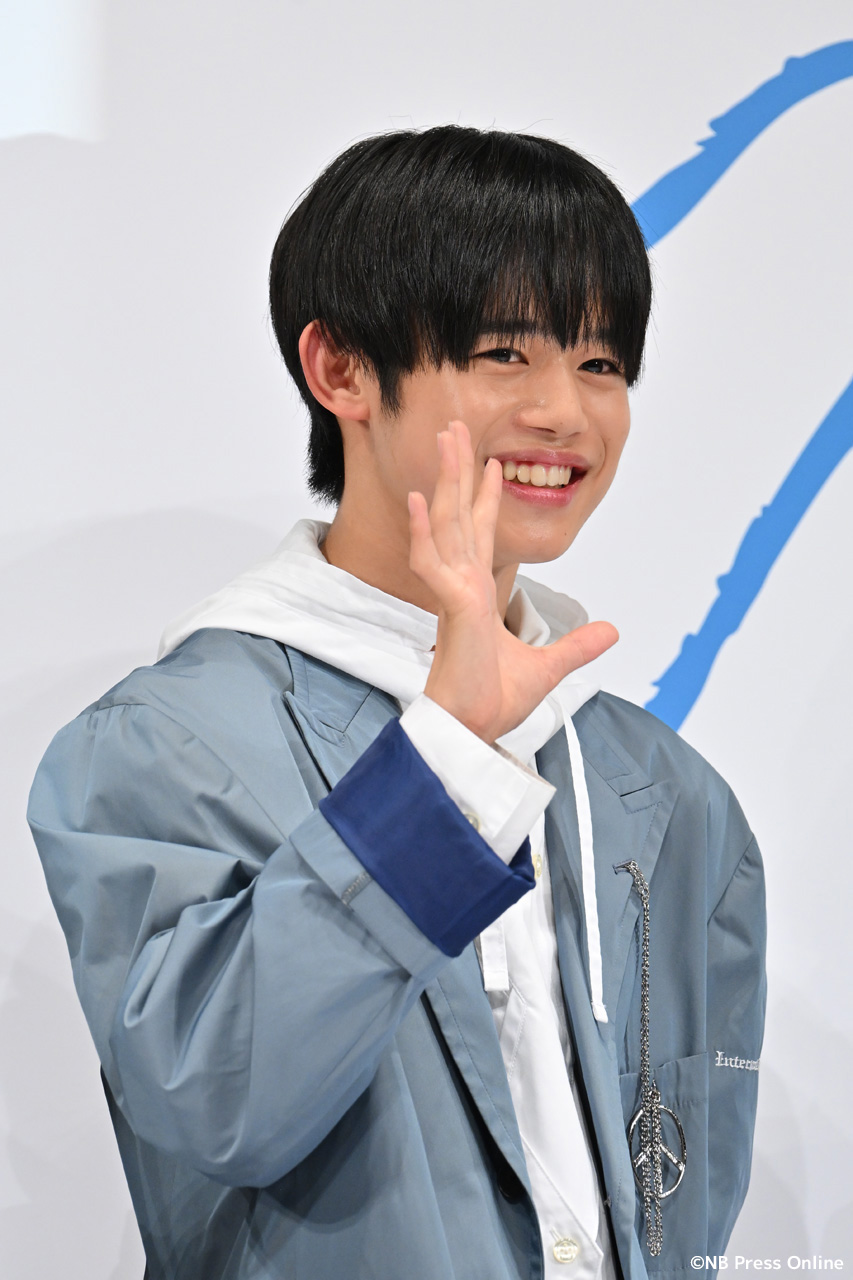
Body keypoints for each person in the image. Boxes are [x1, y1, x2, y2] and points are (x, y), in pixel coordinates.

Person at [28, 126, 766, 1280]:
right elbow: (220, 1101)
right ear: (340, 370)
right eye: (504, 352)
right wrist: (445, 758)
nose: (566, 412)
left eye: (600, 362)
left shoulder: (667, 794)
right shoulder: (161, 747)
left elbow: (684, 1201)